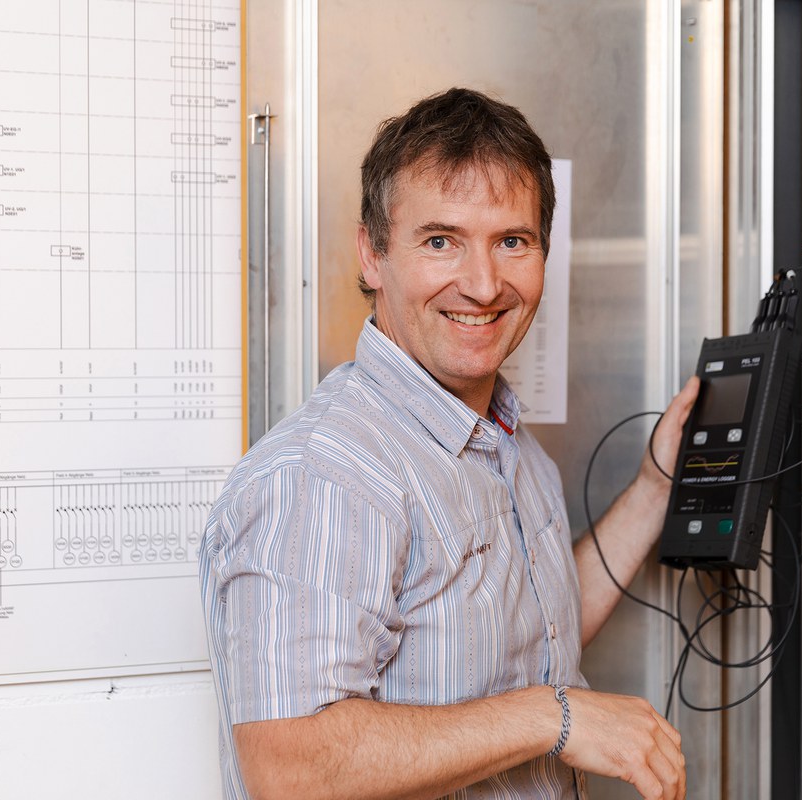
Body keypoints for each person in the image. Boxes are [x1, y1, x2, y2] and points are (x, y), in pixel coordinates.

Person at [200, 87, 699, 800]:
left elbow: (535, 633)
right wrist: (554, 717)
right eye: (441, 241)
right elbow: (291, 767)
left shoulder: (508, 445)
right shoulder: (326, 474)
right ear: (372, 255)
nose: (484, 283)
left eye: (512, 242)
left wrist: (655, 488)